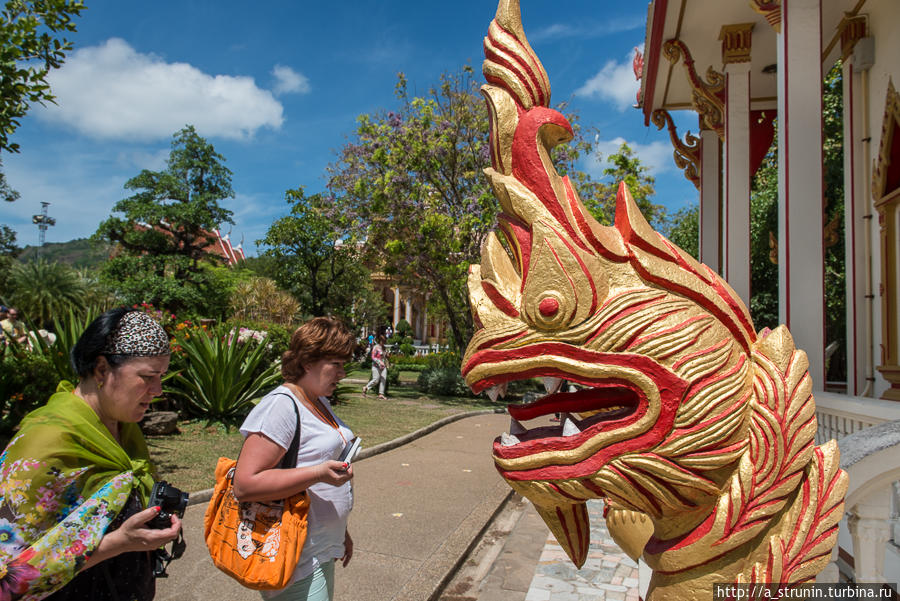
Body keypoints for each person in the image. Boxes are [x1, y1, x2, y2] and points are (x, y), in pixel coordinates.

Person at [0, 307, 183, 600]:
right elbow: (6, 579)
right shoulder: (42, 447)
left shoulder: (122, 432)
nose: (159, 390)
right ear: (101, 369)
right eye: (148, 376)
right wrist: (117, 543)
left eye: (161, 376)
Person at [233, 316, 356, 601]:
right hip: (293, 555)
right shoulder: (281, 405)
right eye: (335, 364)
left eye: (343, 365)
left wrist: (341, 531)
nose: (342, 373)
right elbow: (245, 483)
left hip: (318, 547)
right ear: (307, 361)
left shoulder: (316, 400)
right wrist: (318, 473)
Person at [362, 334, 388, 400]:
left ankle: (381, 394)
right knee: (376, 380)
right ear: (380, 341)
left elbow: (384, 357)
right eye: (383, 341)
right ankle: (366, 388)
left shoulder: (384, 348)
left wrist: (387, 357)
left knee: (383, 380)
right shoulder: (376, 347)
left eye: (384, 341)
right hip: (376, 366)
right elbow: (373, 357)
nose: (384, 342)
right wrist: (379, 362)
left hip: (383, 367)